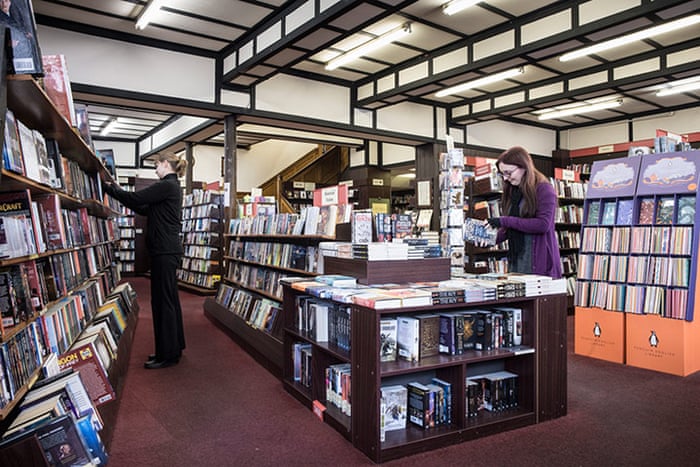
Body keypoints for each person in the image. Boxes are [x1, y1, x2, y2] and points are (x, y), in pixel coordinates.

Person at [103, 152, 187, 369]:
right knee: (168, 299)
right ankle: (173, 348)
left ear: (166, 164)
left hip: (164, 251)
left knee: (162, 302)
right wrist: (117, 193)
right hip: (166, 250)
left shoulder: (167, 185)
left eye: (156, 165)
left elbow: (136, 198)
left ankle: (166, 355)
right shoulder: (170, 187)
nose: (155, 169)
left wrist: (110, 188)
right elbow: (142, 208)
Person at [484, 146, 562, 279]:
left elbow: (543, 224)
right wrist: (489, 238)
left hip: (538, 261)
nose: (506, 178)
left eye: (509, 173)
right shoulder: (513, 191)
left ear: (524, 167)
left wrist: (503, 220)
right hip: (517, 259)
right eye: (502, 174)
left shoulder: (544, 189)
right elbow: (513, 227)